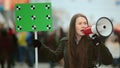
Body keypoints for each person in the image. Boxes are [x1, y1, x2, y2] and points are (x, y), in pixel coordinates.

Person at [34, 13, 113, 68]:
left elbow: (108, 61)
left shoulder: (92, 42)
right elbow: (54, 57)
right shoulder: (65, 42)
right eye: (80, 23)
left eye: (85, 23)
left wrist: (99, 44)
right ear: (73, 26)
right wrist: (41, 46)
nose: (83, 26)